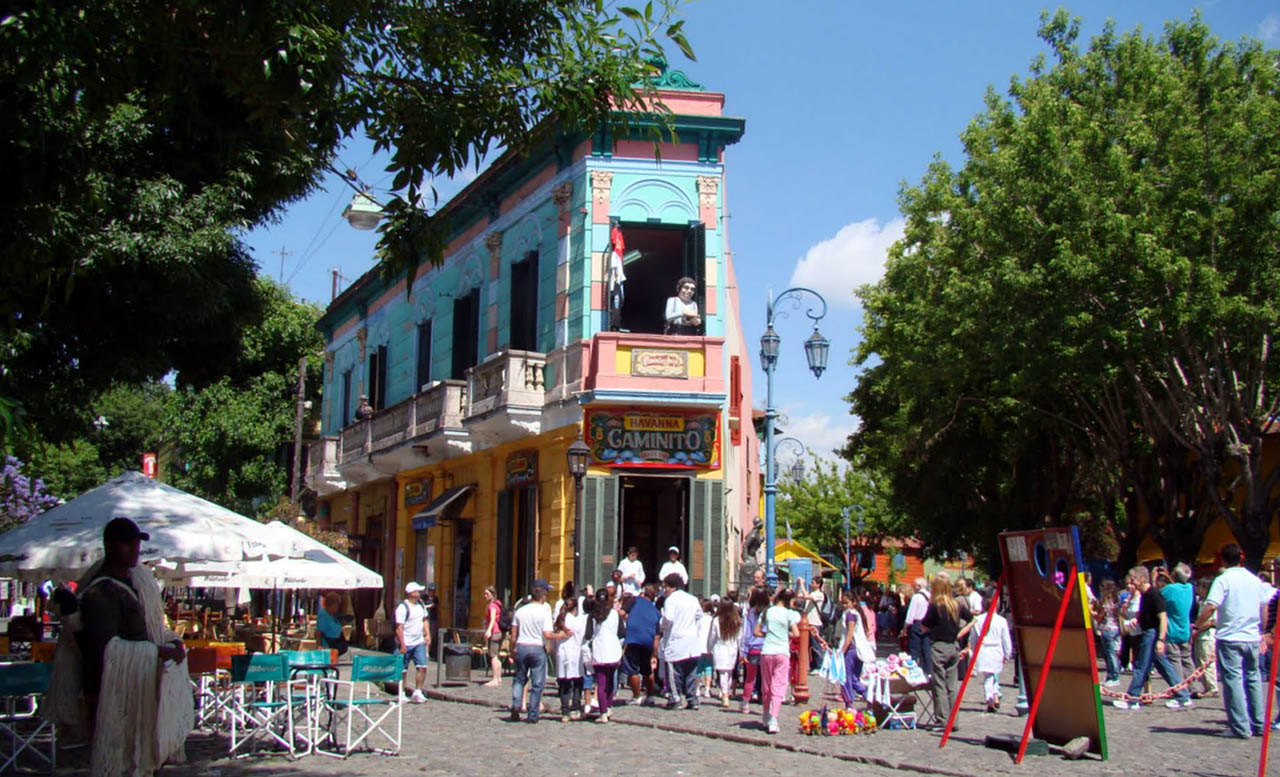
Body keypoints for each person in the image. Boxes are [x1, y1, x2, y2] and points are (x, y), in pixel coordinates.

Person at [57, 518, 192, 775]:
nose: (135, 549)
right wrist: (158, 652)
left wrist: (171, 641)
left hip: (139, 685)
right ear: (110, 545)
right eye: (127, 543)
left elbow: (151, 626)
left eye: (136, 543)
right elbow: (103, 649)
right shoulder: (101, 592)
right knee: (120, 761)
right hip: (113, 693)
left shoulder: (136, 580)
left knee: (138, 762)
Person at [1196, 544, 1270, 738]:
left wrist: (1198, 624)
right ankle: (1259, 723)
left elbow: (1211, 606)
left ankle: (1240, 726)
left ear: (1223, 560)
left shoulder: (1223, 580)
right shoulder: (1255, 580)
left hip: (1230, 636)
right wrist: (1262, 630)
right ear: (1241, 558)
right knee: (1253, 678)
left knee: (1233, 680)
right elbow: (1264, 607)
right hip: (1252, 636)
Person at [1114, 566, 1191, 710]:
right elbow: (1145, 614)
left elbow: (1163, 617)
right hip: (1147, 631)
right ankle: (1183, 695)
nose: (1131, 583)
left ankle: (1132, 698)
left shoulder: (1154, 594)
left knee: (1141, 666)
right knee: (1164, 666)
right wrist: (1137, 619)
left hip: (1152, 634)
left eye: (1133, 579)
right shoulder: (1144, 595)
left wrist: (1161, 640)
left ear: (1142, 579)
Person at [921, 573, 970, 729]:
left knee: (939, 685)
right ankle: (954, 720)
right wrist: (960, 633)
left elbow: (924, 625)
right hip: (953, 646)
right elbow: (972, 619)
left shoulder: (935, 605)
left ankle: (942, 719)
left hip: (939, 646)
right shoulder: (956, 604)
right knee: (952, 685)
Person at [510, 579, 557, 723]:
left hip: (522, 646)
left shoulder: (521, 610)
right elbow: (547, 634)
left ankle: (516, 705)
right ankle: (533, 714)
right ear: (543, 595)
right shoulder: (544, 611)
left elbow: (513, 633)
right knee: (537, 683)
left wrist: (512, 649)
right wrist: (560, 636)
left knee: (519, 679)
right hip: (537, 648)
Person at [756, 588, 801, 734]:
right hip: (782, 652)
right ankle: (773, 719)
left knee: (767, 686)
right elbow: (796, 633)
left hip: (767, 650)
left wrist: (768, 633)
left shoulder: (767, 611)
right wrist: (785, 633)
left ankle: (765, 715)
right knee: (779, 686)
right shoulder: (789, 614)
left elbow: (756, 631)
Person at [962, 590, 1011, 712]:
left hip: (983, 650)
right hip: (995, 650)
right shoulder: (1001, 621)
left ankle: (993, 696)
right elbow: (1006, 639)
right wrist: (1007, 653)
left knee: (990, 676)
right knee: (991, 675)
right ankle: (991, 697)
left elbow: (973, 638)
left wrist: (973, 649)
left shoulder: (978, 620)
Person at [659, 573, 703, 710]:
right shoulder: (692, 599)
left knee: (673, 671)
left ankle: (675, 698)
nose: (664, 590)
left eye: (665, 587)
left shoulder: (671, 600)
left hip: (676, 639)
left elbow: (668, 619)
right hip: (692, 640)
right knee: (691, 672)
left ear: (672, 587)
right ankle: (692, 699)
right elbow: (699, 615)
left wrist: (661, 624)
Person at [586, 589, 624, 723]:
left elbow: (588, 635)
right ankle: (608, 706)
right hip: (614, 650)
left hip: (600, 651)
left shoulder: (593, 615)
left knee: (601, 683)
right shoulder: (615, 614)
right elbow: (621, 633)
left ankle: (602, 712)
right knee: (610, 683)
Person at [621, 584, 661, 703]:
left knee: (632, 669)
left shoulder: (634, 600)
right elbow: (657, 636)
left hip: (633, 639)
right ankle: (650, 696)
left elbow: (621, 613)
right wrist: (655, 654)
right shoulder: (656, 611)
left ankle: (637, 696)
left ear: (643, 593)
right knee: (647, 670)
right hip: (648, 641)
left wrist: (628, 618)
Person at [1161, 563, 1197, 700]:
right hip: (1185, 629)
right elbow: (1177, 586)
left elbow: (1158, 595)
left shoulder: (1169, 589)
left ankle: (1180, 689)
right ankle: (1195, 687)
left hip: (1172, 630)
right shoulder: (1189, 588)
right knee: (1187, 659)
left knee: (1174, 660)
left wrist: (1156, 578)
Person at [550, 595, 587, 722]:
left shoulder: (559, 621)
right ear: (575, 608)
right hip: (575, 654)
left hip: (562, 653)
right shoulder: (577, 622)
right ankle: (575, 708)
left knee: (564, 683)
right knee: (577, 682)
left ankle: (564, 711)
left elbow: (554, 642)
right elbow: (583, 638)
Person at [837, 590, 875, 709]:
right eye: (842, 603)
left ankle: (851, 702)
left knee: (846, 677)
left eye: (846, 603)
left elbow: (850, 634)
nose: (844, 606)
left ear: (853, 602)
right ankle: (869, 696)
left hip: (851, 649)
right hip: (858, 650)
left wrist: (842, 650)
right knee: (854, 678)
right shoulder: (856, 614)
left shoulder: (850, 615)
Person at [395, 582, 431, 704]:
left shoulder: (421, 605)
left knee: (422, 667)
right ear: (411, 593)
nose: (419, 594)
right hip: (406, 641)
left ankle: (418, 692)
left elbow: (425, 620)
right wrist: (402, 644)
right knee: (403, 670)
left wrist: (428, 634)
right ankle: (401, 693)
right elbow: (399, 627)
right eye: (417, 591)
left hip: (419, 642)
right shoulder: (402, 607)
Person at [739, 586, 769, 714]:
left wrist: (743, 651)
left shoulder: (750, 613)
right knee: (766, 679)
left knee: (750, 678)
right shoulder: (769, 612)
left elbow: (746, 633)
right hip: (767, 647)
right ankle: (766, 704)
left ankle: (745, 703)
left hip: (753, 648)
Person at [709, 600, 742, 708]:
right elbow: (739, 638)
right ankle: (726, 692)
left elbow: (712, 637)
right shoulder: (736, 621)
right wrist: (741, 651)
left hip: (720, 648)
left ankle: (725, 695)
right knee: (729, 673)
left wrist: (709, 648)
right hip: (732, 649)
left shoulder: (716, 621)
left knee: (723, 673)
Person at [1192, 576, 1219, 698]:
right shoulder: (1202, 602)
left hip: (1207, 635)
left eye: (1199, 587)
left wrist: (1197, 629)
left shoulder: (1211, 603)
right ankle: (1206, 685)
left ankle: (1212, 687)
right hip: (1201, 635)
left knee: (1207, 661)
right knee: (1200, 661)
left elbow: (1211, 621)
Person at [1093, 579, 1122, 687]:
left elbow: (1099, 617)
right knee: (1112, 653)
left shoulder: (1106, 601)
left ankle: (1114, 676)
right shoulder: (1116, 599)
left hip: (1107, 629)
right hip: (1115, 628)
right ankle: (1111, 675)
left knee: (1109, 655)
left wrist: (1091, 612)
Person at [903, 577, 932, 675]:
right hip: (928, 623)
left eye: (914, 585)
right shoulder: (930, 596)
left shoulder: (916, 597)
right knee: (926, 648)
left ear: (919, 586)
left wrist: (905, 627)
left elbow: (911, 614)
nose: (913, 587)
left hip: (917, 623)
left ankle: (913, 670)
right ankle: (928, 671)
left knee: (914, 649)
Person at [800, 577, 826, 673]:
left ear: (818, 585)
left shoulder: (819, 595)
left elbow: (806, 596)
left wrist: (802, 584)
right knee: (810, 646)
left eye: (813, 582)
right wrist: (799, 584)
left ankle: (819, 665)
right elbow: (801, 595)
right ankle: (813, 665)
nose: (811, 584)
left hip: (815, 622)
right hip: (808, 622)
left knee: (816, 645)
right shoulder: (811, 594)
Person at [482, 586, 504, 687]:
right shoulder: (497, 604)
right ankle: (498, 677)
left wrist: (488, 631)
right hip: (499, 632)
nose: (485, 596)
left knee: (493, 656)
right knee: (497, 656)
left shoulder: (492, 606)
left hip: (494, 632)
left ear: (492, 594)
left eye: (487, 594)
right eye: (484, 593)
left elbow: (492, 620)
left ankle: (495, 679)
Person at [316, 591, 349, 656]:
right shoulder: (323, 615)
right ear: (330, 604)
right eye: (336, 605)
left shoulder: (333, 615)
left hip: (336, 645)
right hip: (327, 646)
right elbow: (318, 632)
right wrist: (319, 646)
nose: (337, 608)